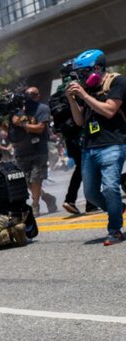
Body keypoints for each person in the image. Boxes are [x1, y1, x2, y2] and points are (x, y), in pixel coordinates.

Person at [66, 48, 126, 245]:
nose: (80, 77)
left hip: (112, 143)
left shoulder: (117, 81)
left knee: (110, 188)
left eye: (83, 72)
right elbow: (80, 121)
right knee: (91, 193)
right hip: (89, 147)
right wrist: (72, 100)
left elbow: (109, 110)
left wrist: (83, 95)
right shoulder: (87, 89)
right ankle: (117, 209)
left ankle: (115, 230)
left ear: (98, 68)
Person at [5, 87, 59, 215]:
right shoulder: (16, 112)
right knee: (25, 181)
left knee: (36, 179)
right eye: (27, 94)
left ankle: (35, 205)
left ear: (38, 96)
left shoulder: (42, 109)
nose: (29, 96)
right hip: (21, 151)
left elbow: (40, 128)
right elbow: (13, 131)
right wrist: (3, 125)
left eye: (33, 94)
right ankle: (47, 197)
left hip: (38, 150)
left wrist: (22, 124)